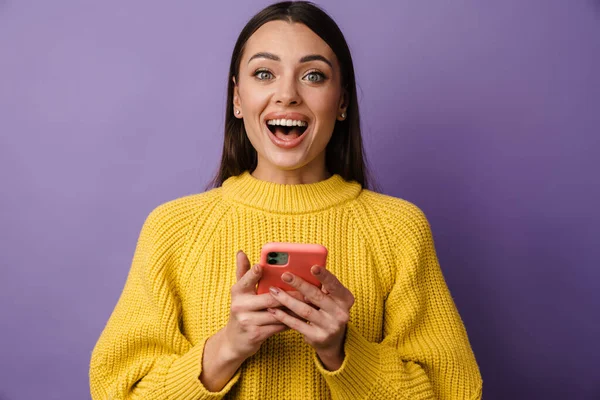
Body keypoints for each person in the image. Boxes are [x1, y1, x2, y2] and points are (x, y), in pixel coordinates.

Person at [89, 1, 483, 399]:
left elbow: (454, 390)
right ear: (237, 98)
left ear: (342, 101)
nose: (287, 94)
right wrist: (227, 348)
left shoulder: (398, 230)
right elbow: (118, 390)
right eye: (264, 73)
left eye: (313, 75)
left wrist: (343, 351)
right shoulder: (173, 229)